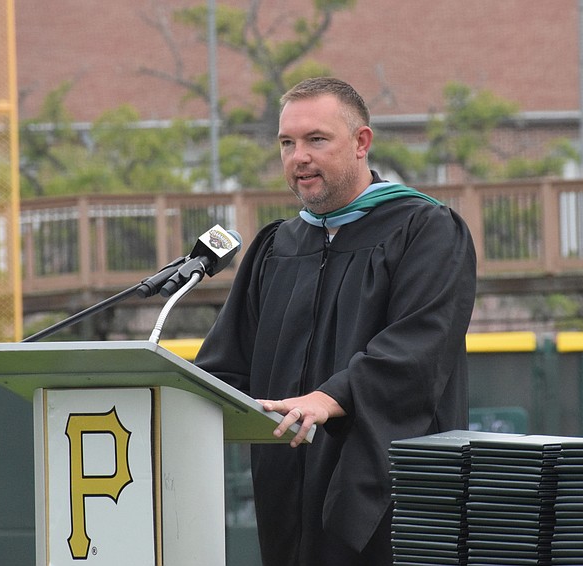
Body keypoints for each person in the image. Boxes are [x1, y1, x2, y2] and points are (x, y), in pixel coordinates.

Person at [195, 77, 476, 566]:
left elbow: (418, 348)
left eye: (316, 140)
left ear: (361, 143)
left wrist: (328, 398)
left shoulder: (425, 229)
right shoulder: (276, 248)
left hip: (388, 496)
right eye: (287, 143)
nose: (298, 156)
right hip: (286, 500)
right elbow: (226, 365)